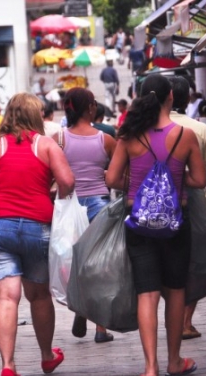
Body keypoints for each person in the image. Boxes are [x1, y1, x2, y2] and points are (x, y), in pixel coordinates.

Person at [105, 74, 206, 376]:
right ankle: (174, 361)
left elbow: (111, 180)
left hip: (139, 222)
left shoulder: (129, 136)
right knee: (175, 291)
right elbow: (200, 180)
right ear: (171, 99)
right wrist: (172, 181)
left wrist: (140, 185)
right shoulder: (185, 135)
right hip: (176, 223)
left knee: (146, 294)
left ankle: (150, 368)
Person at [0, 92, 74, 376]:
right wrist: (49, 191)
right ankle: (47, 355)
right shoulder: (45, 145)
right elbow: (68, 183)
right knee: (39, 295)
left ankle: (8, 365)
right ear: (36, 115)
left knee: (6, 298)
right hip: (37, 229)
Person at [53, 88, 117, 344]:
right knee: (100, 266)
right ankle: (101, 327)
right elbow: (121, 171)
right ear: (90, 108)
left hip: (69, 206)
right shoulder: (106, 139)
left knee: (73, 262)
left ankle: (80, 306)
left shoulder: (58, 139)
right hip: (99, 206)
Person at [169, 77, 206, 340]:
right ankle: (186, 322)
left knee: (169, 261)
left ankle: (171, 318)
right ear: (188, 99)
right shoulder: (199, 130)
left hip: (160, 203)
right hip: (197, 201)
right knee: (197, 260)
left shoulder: (151, 127)